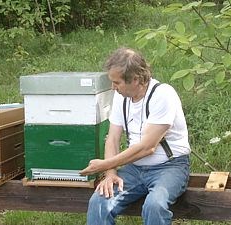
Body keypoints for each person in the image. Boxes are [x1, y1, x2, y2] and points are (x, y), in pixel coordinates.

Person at [80, 47, 191, 225]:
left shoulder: (163, 95)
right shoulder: (121, 97)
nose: (112, 87)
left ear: (136, 79)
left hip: (169, 167)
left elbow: (148, 147)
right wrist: (110, 173)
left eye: (117, 83)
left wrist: (105, 164)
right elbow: (113, 138)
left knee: (154, 205)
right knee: (99, 202)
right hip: (134, 169)